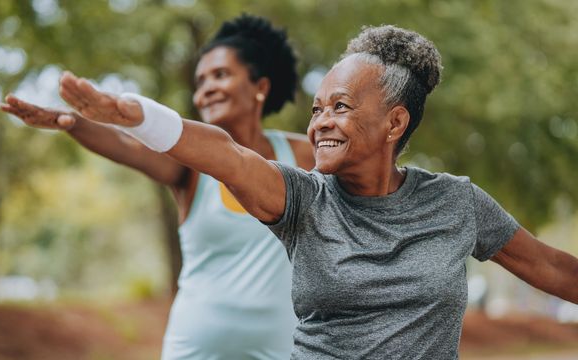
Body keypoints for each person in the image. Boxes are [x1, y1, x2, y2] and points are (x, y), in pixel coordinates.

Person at [54, 24, 578, 359]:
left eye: (341, 107)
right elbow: (226, 153)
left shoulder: (456, 203)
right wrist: (141, 118)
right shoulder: (301, 199)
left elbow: (553, 269)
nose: (321, 122)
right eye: (317, 109)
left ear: (395, 122)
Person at [1, 15, 314, 360]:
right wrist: (73, 123)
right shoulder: (191, 169)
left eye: (220, 75)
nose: (205, 89)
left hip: (280, 350)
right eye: (200, 80)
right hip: (193, 349)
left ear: (261, 87)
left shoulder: (300, 155)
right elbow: (128, 147)